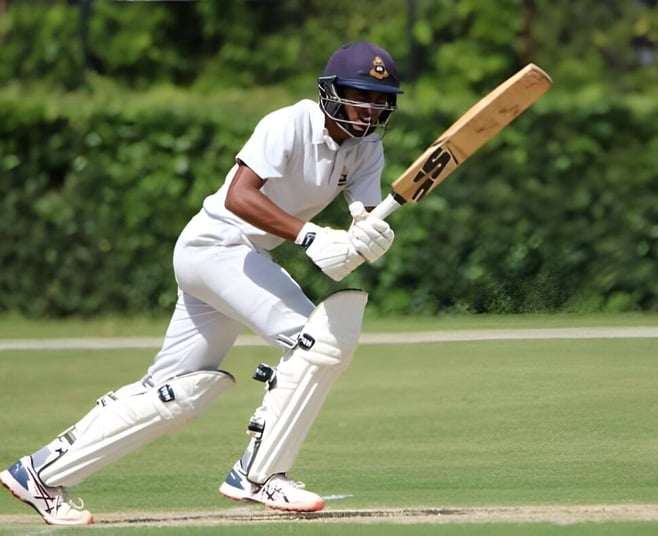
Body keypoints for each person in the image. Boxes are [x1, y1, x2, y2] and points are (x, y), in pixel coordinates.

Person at [0, 40, 402, 526]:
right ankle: (258, 474)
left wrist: (365, 237)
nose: (371, 107)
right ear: (331, 91)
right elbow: (238, 197)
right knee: (319, 341)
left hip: (242, 259)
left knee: (176, 394)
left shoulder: (367, 148)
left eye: (381, 99)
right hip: (215, 245)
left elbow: (360, 215)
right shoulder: (289, 123)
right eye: (361, 94)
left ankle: (39, 473)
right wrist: (311, 235)